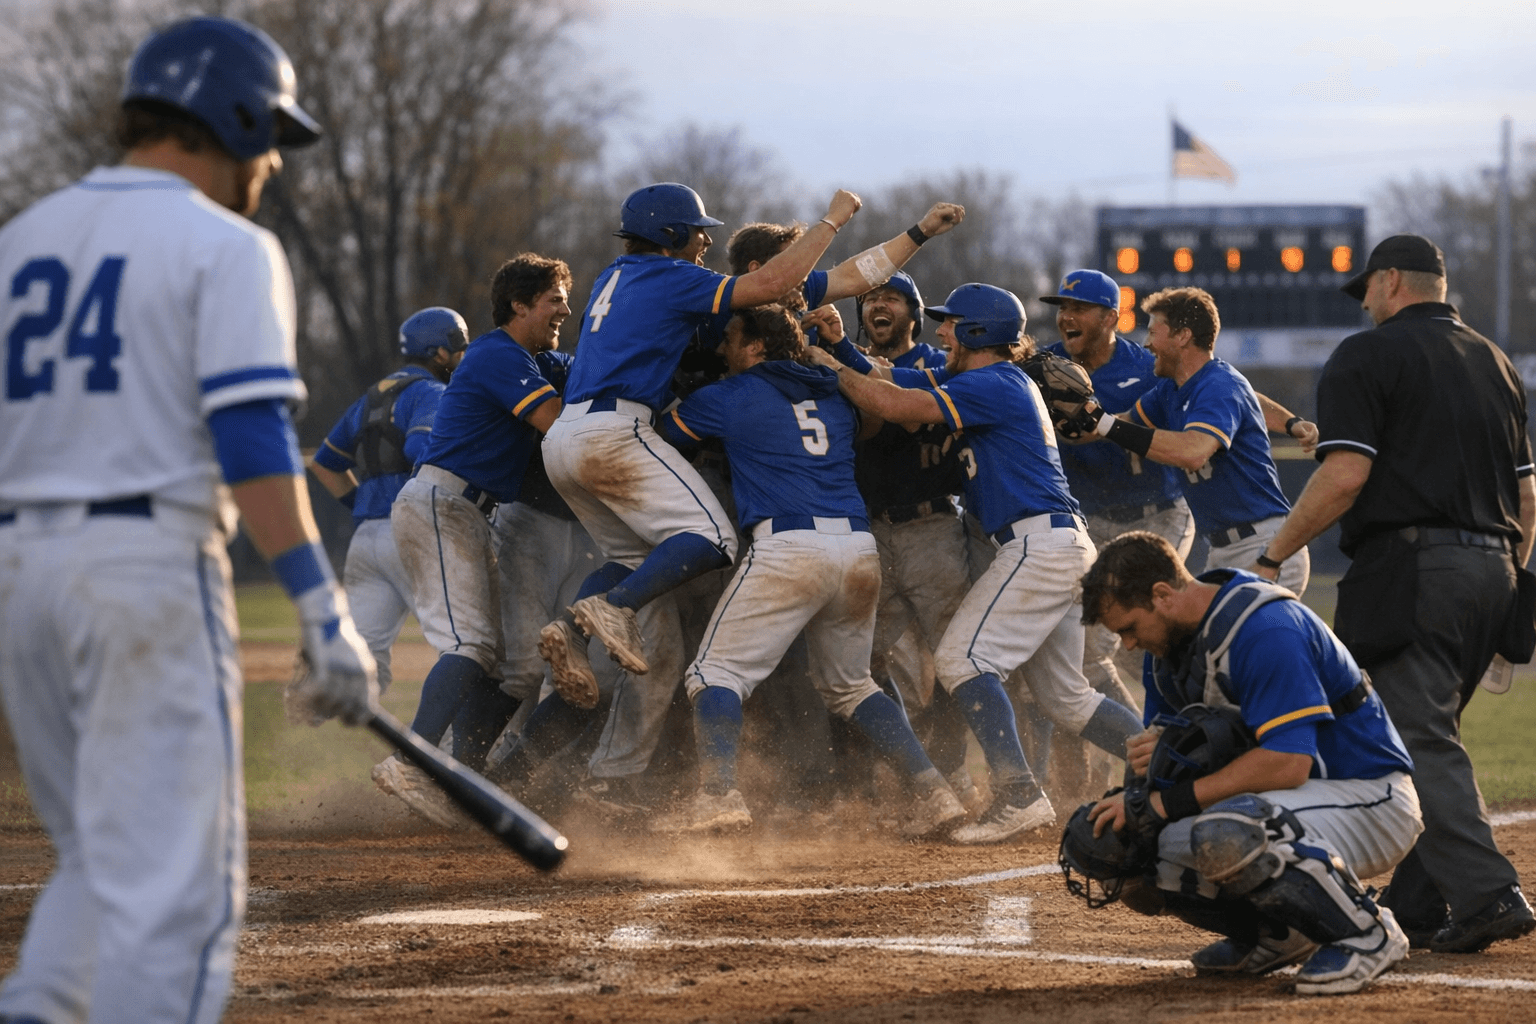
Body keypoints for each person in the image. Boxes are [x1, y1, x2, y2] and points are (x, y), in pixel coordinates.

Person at [0, 17, 374, 1023]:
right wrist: (319, 604)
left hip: (20, 575)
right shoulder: (226, 246)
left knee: (96, 856)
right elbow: (251, 441)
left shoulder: (20, 239)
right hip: (144, 571)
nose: (270, 166)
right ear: (233, 115)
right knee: (178, 892)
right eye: (267, 140)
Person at [1254, 233, 1536, 953]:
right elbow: (1527, 497)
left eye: (1368, 290)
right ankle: (1416, 903)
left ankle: (1488, 894)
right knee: (1427, 735)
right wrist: (1510, 582)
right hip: (1497, 567)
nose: (1366, 304)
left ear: (1388, 284)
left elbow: (1345, 474)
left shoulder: (1367, 354)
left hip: (1416, 572)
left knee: (1411, 737)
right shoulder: (1495, 362)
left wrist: (1273, 556)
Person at [808, 284, 1144, 844]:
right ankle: (1160, 769)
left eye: (950, 323)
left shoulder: (992, 382)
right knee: (1065, 697)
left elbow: (893, 406)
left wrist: (822, 364)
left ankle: (1018, 795)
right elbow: (894, 378)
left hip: (1039, 545)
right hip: (1057, 544)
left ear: (977, 332)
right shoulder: (983, 379)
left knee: (961, 660)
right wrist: (841, 348)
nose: (941, 333)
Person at [650, 305, 968, 836]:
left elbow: (659, 438)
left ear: (755, 347)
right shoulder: (835, 392)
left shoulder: (727, 395)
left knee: (714, 674)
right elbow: (865, 420)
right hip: (858, 547)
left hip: (789, 545)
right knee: (851, 685)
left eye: (732, 340)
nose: (723, 350)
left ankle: (718, 796)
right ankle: (935, 791)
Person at [1081, 532, 1422, 995]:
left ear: (1162, 595)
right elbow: (1175, 769)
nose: (1126, 645)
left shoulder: (1265, 628)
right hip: (1286, 804)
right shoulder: (1167, 652)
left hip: (1367, 796)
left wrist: (1163, 802)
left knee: (1228, 830)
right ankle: (1280, 933)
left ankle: (1366, 931)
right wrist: (1148, 771)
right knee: (1125, 846)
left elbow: (1288, 763)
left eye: (1128, 628)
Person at [373, 254, 570, 825]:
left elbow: (582, 366)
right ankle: (410, 761)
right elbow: (555, 420)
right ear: (519, 304)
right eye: (554, 298)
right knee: (471, 646)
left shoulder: (530, 356)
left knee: (504, 660)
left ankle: (464, 776)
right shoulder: (495, 354)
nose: (565, 309)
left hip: (467, 510)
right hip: (443, 503)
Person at [1076, 286, 1312, 594]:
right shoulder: (1170, 390)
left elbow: (1194, 452)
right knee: (1198, 639)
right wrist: (1064, 417)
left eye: (1153, 332)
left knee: (1239, 640)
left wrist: (1106, 425)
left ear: (1183, 335)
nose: (1146, 343)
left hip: (1264, 546)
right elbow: (1116, 425)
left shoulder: (1219, 384)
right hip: (1223, 550)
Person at [308, 307, 467, 693]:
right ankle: (450, 754)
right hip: (413, 534)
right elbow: (419, 447)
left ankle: (366, 743)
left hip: (367, 541)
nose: (464, 354)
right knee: (464, 649)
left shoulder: (371, 397)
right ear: (439, 352)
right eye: (459, 345)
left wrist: (364, 505)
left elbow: (324, 464)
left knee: (365, 662)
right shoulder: (432, 391)